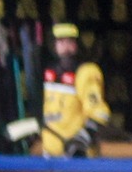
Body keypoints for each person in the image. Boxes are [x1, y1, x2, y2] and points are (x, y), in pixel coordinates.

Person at [39, 23, 109, 157]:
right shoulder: (50, 72)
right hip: (50, 153)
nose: (66, 46)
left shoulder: (86, 71)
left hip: (79, 155)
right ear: (54, 44)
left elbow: (99, 114)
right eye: (61, 41)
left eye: (70, 41)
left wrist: (82, 139)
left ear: (77, 44)